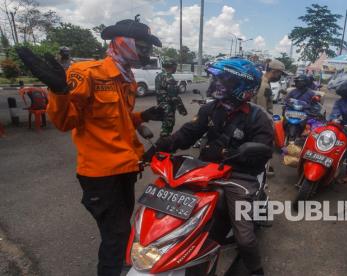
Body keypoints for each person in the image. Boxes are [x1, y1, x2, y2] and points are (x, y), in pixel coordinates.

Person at [17, 18, 166, 276]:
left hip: (126, 169)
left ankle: (120, 264)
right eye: (141, 46)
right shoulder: (87, 74)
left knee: (121, 231)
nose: (146, 53)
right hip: (100, 176)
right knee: (116, 234)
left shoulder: (126, 77)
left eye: (148, 47)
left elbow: (117, 119)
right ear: (121, 43)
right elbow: (66, 122)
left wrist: (143, 116)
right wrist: (59, 92)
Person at [155, 58, 273, 276]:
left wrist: (236, 155)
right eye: (217, 77)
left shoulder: (258, 118)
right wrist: (162, 145)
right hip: (205, 171)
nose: (216, 82)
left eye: (224, 79)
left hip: (238, 177)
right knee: (170, 211)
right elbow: (188, 133)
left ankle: (256, 270)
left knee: (245, 238)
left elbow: (264, 152)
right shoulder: (210, 108)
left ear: (241, 87)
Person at [155, 58, 187, 136]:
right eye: (175, 66)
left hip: (161, 105)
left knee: (164, 125)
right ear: (172, 66)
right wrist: (182, 110)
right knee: (167, 128)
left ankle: (163, 144)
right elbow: (174, 97)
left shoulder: (159, 76)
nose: (176, 68)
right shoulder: (169, 77)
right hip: (168, 107)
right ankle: (164, 145)